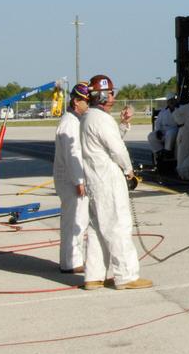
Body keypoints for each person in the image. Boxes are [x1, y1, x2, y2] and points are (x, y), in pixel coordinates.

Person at [79, 74, 151, 290]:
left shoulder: (88, 118)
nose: (113, 97)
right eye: (110, 93)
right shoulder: (101, 119)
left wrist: (124, 124)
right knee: (118, 226)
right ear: (101, 95)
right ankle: (126, 276)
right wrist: (129, 171)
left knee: (97, 229)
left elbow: (108, 141)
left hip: (95, 180)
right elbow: (117, 149)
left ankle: (93, 276)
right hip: (108, 180)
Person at [52, 82, 90, 274]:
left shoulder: (75, 121)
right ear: (76, 101)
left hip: (72, 177)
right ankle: (71, 262)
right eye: (87, 101)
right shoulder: (69, 123)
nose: (89, 105)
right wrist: (79, 180)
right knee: (75, 221)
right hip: (70, 179)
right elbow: (72, 153)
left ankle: (72, 260)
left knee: (77, 220)